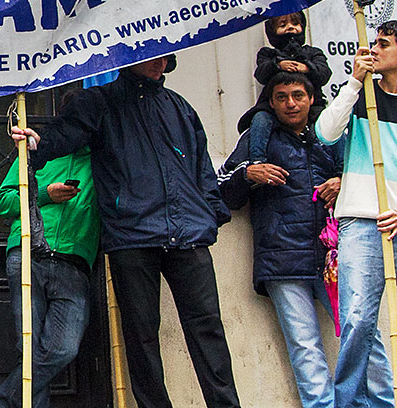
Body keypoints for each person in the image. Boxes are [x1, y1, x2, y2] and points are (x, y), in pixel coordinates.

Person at [13, 54, 240, 408]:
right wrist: (37, 141)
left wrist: (210, 215)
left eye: (165, 57)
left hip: (189, 235)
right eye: (151, 56)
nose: (159, 64)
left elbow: (202, 168)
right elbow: (65, 133)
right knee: (141, 340)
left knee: (208, 332)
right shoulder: (100, 101)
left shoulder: (180, 107)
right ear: (129, 55)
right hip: (131, 237)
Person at [218, 72, 368, 408]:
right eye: (282, 96)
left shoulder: (331, 133)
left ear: (311, 99)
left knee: (360, 336)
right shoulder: (259, 139)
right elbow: (221, 189)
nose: (291, 103)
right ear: (270, 103)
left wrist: (344, 180)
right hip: (282, 258)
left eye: (298, 95)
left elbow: (372, 178)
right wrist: (248, 173)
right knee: (305, 347)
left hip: (335, 257)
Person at [0, 145, 99, 408]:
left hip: (74, 263)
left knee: (62, 348)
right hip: (28, 253)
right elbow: (3, 202)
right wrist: (45, 193)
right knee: (28, 350)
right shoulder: (35, 154)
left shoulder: (104, 159)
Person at [314, 21, 397, 408]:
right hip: (362, 218)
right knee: (357, 318)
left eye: (383, 44)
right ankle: (350, 403)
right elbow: (326, 133)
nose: (374, 49)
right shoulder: (363, 95)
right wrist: (352, 83)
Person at [242, 12, 331, 165]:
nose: (290, 27)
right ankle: (257, 161)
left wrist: (307, 68)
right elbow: (261, 74)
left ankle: (342, 165)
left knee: (330, 123)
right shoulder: (267, 54)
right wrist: (277, 64)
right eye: (282, 25)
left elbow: (324, 73)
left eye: (295, 24)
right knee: (260, 119)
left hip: (312, 106)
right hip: (272, 108)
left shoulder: (312, 52)